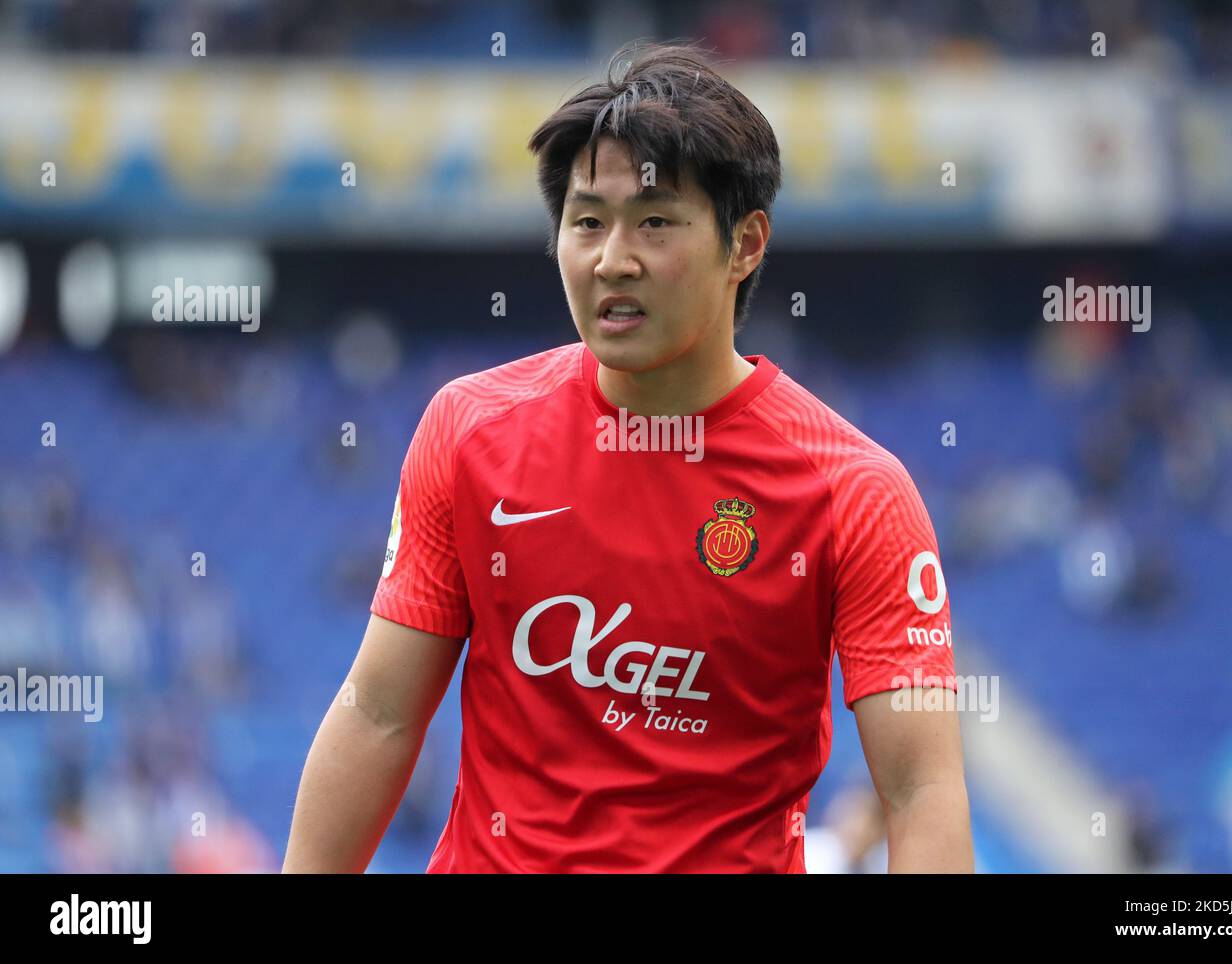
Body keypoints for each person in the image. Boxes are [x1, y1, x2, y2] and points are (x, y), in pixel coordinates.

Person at [284, 40, 971, 874]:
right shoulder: (468, 430)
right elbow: (380, 715)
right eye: (586, 221)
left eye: (654, 221)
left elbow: (920, 791)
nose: (613, 258)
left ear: (746, 244)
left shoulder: (855, 492)